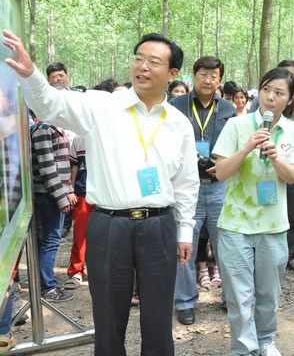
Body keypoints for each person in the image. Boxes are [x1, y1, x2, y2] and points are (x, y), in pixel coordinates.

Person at [3, 30, 199, 356]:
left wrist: (185, 230)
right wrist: (30, 74)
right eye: (138, 58)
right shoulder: (102, 106)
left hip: (159, 225)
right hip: (110, 225)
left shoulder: (178, 123)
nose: (143, 67)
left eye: (153, 61)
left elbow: (187, 182)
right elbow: (51, 105)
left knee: (158, 316)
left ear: (173, 73)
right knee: (108, 316)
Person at [213, 67, 294, 356]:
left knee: (268, 293)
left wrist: (277, 158)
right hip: (236, 224)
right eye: (267, 90)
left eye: (279, 93)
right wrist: (246, 148)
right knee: (239, 295)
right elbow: (221, 173)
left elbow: (291, 177)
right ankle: (243, 348)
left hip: (273, 225)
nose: (270, 97)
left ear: (290, 99)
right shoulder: (237, 125)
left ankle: (265, 339)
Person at [169, 56, 235, 326]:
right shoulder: (175, 106)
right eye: (203, 74)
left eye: (214, 76)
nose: (209, 80)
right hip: (187, 189)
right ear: (193, 76)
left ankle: (230, 299)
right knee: (185, 246)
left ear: (220, 79)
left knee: (227, 247)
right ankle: (185, 301)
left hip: (220, 187)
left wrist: (224, 162)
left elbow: (236, 143)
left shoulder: (228, 109)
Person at [249, 60, 294, 272]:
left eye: (291, 76)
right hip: (262, 162)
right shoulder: (262, 102)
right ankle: (261, 253)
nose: (272, 96)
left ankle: (291, 254)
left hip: (293, 161)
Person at [30, 102, 76, 303]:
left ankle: (44, 281)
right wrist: (60, 197)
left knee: (48, 239)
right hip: (47, 194)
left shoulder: (53, 128)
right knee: (51, 239)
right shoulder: (43, 130)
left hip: (53, 193)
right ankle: (47, 287)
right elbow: (47, 167)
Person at [64, 134, 94, 291]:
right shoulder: (78, 138)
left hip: (105, 195)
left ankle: (100, 269)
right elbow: (74, 165)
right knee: (80, 234)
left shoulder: (110, 133)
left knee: (106, 235)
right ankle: (76, 271)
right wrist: (71, 189)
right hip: (83, 193)